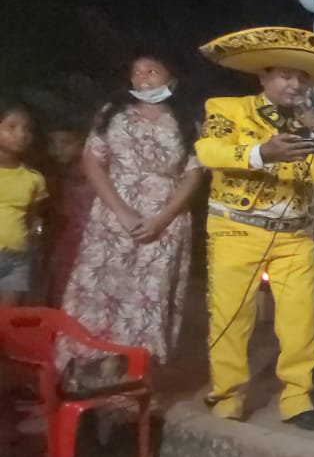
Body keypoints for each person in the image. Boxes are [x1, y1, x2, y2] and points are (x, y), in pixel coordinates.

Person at [196, 26, 314, 431]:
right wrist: (259, 153)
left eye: (302, 77)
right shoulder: (227, 109)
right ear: (263, 77)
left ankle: (297, 399)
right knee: (232, 319)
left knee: (300, 322)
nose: (294, 84)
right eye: (285, 75)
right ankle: (228, 398)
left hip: (296, 235)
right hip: (236, 229)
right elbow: (207, 152)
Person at [60, 52, 204, 368]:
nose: (143, 78)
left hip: (165, 221)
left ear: (172, 81)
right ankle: (89, 371)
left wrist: (162, 219)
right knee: (102, 290)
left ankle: (133, 380)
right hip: (112, 218)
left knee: (148, 297)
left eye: (152, 71)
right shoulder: (113, 115)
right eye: (137, 73)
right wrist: (123, 213)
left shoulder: (185, 122)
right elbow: (92, 161)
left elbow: (193, 173)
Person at [41, 117, 92, 306]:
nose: (58, 149)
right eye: (53, 144)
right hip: (61, 243)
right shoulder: (56, 176)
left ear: (83, 143)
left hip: (84, 243)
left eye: (66, 143)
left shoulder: (92, 176)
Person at [0, 99, 46, 305]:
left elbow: (32, 217)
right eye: (11, 127)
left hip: (17, 258)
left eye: (27, 129)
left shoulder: (33, 178)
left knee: (7, 322)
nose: (21, 134)